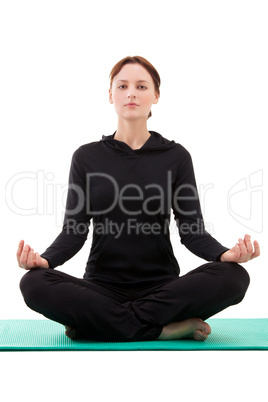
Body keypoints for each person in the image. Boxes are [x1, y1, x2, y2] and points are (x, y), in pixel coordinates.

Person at [18, 56, 260, 342]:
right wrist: (44, 261)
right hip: (101, 289)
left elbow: (192, 231)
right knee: (33, 283)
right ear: (111, 95)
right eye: (122, 86)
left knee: (235, 277)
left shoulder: (176, 156)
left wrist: (224, 255)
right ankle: (161, 329)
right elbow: (74, 231)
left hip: (162, 289)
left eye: (141, 86)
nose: (131, 92)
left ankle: (100, 325)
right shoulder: (86, 157)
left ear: (155, 95)